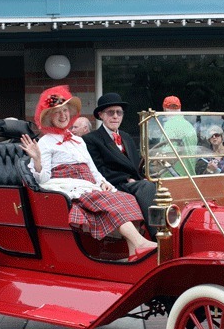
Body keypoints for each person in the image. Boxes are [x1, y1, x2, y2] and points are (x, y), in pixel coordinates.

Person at [20, 85, 156, 261]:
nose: (62, 116)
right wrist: (37, 160)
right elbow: (43, 178)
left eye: (65, 111)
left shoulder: (78, 140)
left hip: (88, 183)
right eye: (57, 112)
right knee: (107, 200)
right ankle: (140, 242)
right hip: (66, 184)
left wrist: (103, 182)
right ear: (50, 117)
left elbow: (92, 169)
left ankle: (133, 253)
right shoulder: (45, 142)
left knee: (126, 198)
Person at [83, 93, 158, 238]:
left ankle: (174, 229)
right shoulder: (91, 139)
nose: (115, 116)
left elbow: (135, 166)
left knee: (161, 184)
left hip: (134, 183)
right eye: (111, 113)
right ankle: (158, 236)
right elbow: (99, 169)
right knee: (146, 187)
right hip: (114, 185)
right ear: (101, 115)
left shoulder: (127, 137)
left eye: (119, 113)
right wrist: (127, 179)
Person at [161, 95, 198, 176]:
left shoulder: (170, 125)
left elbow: (169, 156)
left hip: (173, 178)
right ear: (180, 109)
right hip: (190, 176)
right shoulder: (189, 125)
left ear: (164, 109)